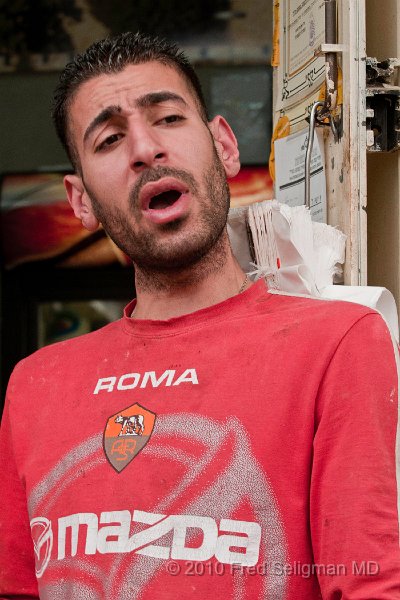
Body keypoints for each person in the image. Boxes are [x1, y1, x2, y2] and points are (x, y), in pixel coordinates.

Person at [1, 32, 399, 600]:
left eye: (167, 118)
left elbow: (367, 586)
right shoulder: (34, 385)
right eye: (110, 139)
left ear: (225, 146)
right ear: (80, 200)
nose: (145, 148)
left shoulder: (336, 342)